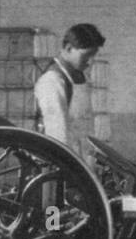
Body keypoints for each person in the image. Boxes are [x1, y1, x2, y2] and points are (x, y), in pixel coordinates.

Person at [33, 23, 105, 163]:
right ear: (68, 48)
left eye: (93, 55)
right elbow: (57, 134)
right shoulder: (53, 80)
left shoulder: (77, 77)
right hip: (63, 162)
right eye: (86, 55)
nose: (90, 61)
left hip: (82, 157)